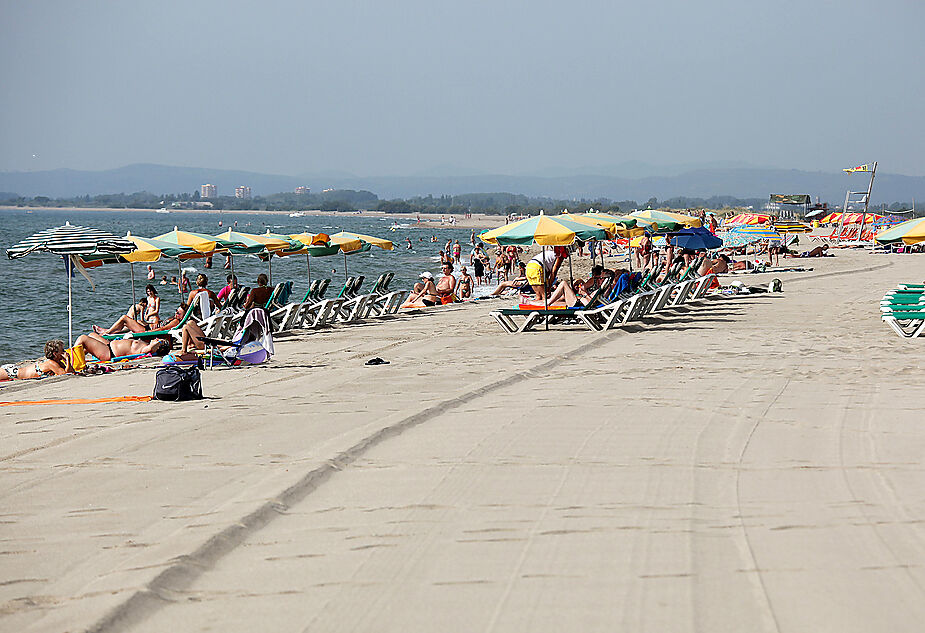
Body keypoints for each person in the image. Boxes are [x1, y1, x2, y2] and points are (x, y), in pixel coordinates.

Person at [94, 302, 189, 335]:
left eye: (178, 313)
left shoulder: (176, 321)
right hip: (147, 327)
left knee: (125, 318)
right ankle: (109, 330)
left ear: (183, 316)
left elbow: (163, 329)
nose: (176, 313)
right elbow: (162, 324)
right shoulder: (174, 319)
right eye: (176, 311)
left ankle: (107, 331)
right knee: (137, 321)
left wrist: (148, 332)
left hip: (147, 331)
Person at [74, 332, 171, 362]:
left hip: (109, 353)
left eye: (158, 340)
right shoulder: (145, 344)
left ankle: (72, 359)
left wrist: (160, 343)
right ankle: (77, 357)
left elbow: (150, 349)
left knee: (83, 338)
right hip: (109, 345)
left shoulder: (146, 348)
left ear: (158, 347)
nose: (156, 338)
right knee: (92, 335)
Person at [1, 340, 73, 380]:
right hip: (12, 373)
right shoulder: (51, 363)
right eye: (62, 350)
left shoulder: (57, 363)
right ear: (55, 354)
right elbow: (65, 375)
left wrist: (67, 362)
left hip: (14, 371)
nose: (65, 352)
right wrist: (67, 359)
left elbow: (71, 372)